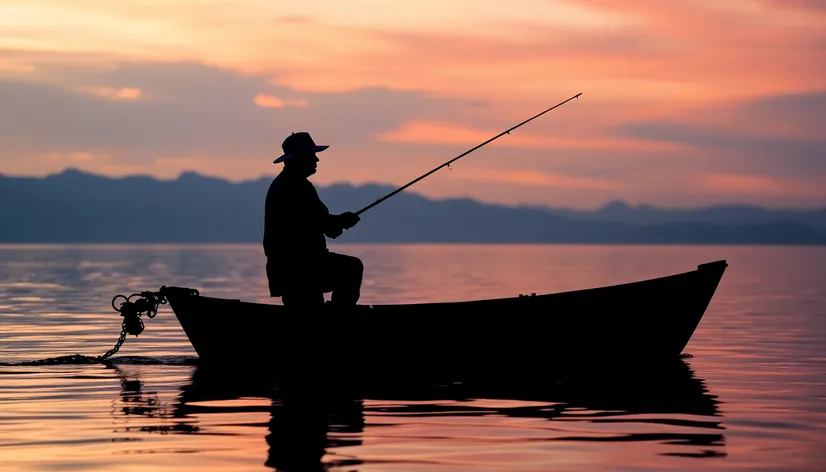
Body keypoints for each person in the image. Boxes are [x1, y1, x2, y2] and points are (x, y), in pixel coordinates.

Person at [263, 131, 364, 311]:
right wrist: (341, 222)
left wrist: (339, 222)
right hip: (300, 268)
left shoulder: (288, 184)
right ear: (299, 159)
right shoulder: (296, 187)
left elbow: (317, 222)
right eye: (312, 155)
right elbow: (323, 225)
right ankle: (341, 318)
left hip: (291, 269)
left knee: (310, 313)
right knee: (352, 268)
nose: (317, 160)